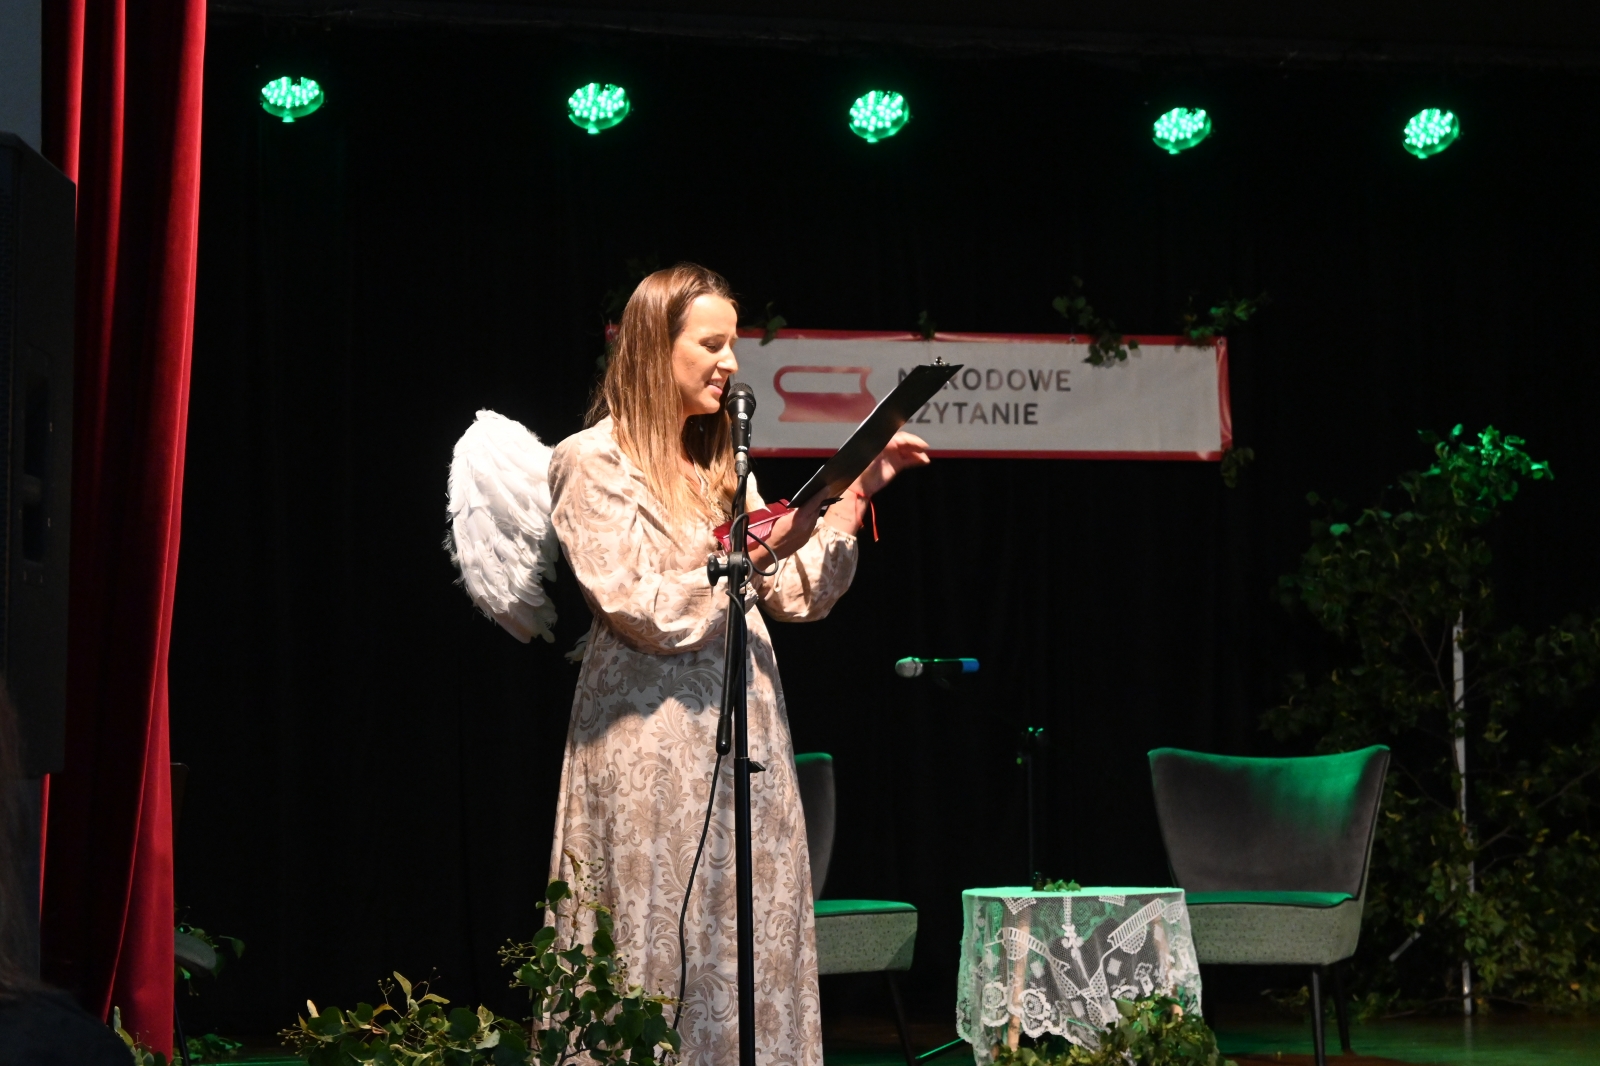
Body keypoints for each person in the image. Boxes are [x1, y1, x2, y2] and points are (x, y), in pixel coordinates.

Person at [545, 263, 928, 1066]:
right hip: (652, 744)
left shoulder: (720, 468)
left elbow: (794, 594)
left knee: (741, 938)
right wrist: (756, 550)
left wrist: (855, 493)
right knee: (658, 937)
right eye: (711, 343)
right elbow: (639, 607)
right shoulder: (593, 461)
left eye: (734, 344)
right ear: (655, 346)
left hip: (745, 741)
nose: (731, 362)